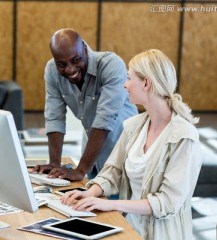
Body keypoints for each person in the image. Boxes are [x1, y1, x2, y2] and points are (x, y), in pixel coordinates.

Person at [61, 49, 203, 240]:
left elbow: (167, 203)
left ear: (146, 83)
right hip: (128, 226)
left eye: (129, 78)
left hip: (161, 234)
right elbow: (113, 171)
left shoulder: (184, 137)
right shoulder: (135, 126)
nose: (125, 85)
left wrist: (113, 204)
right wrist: (90, 192)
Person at [30, 28, 138, 181]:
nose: (70, 69)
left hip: (123, 156)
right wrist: (55, 164)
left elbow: (104, 120)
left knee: (114, 204)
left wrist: (80, 170)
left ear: (85, 49)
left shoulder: (111, 65)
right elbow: (54, 118)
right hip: (91, 159)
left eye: (76, 61)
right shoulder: (52, 70)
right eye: (61, 64)